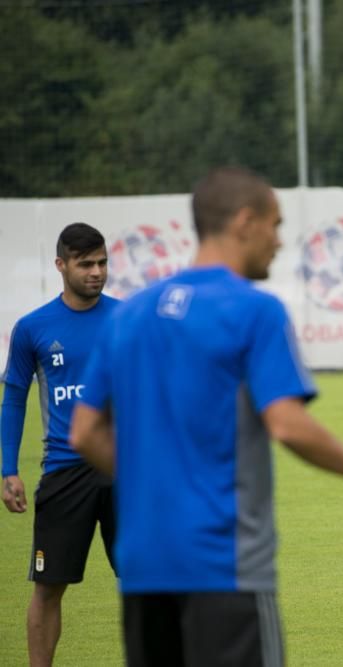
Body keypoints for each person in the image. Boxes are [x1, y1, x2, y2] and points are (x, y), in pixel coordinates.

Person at [69, 166, 343, 667]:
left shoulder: (130, 314)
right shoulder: (254, 310)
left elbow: (83, 432)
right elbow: (287, 424)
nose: (279, 241)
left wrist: (155, 479)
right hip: (224, 565)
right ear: (245, 222)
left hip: (143, 567)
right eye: (275, 225)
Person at [1, 222, 119, 667]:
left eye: (102, 262)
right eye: (85, 263)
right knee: (48, 588)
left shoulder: (127, 319)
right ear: (61, 265)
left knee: (148, 579)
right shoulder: (33, 328)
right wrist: (8, 469)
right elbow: (13, 397)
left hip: (125, 467)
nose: (96, 272)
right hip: (65, 472)